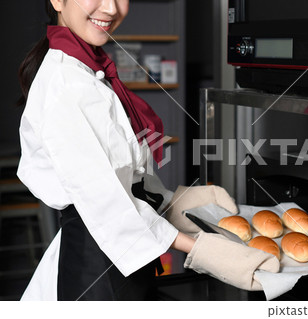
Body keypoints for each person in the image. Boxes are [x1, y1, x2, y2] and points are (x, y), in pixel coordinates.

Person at [16, 0, 279, 301]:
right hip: (97, 266)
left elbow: (122, 173)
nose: (111, 9)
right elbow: (105, 203)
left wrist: (170, 203)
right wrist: (205, 252)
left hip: (123, 256)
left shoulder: (89, 70)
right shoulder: (64, 84)